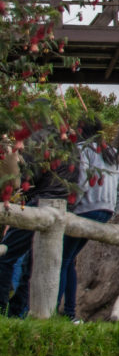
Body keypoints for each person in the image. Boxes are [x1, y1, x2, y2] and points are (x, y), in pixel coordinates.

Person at [0, 130, 80, 317]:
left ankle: (2, 308)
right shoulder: (69, 143)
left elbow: (30, 176)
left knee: (6, 253)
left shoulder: (38, 139)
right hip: (65, 205)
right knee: (33, 264)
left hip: (42, 202)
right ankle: (18, 311)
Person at [58, 117, 119, 322]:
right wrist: (112, 211)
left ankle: (55, 309)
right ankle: (70, 313)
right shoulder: (110, 153)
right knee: (69, 260)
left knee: (62, 259)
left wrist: (71, 206)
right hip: (104, 211)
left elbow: (82, 181)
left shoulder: (82, 150)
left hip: (85, 209)